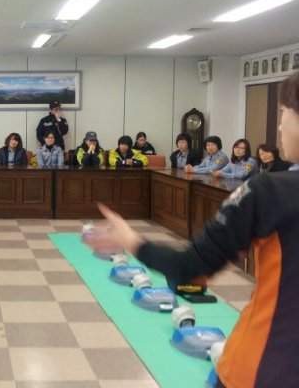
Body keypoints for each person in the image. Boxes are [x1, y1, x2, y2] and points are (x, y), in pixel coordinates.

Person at [84, 70, 299, 388]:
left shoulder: (269, 191)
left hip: (264, 368)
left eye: (283, 113)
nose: (279, 126)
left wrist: (130, 239)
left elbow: (189, 269)